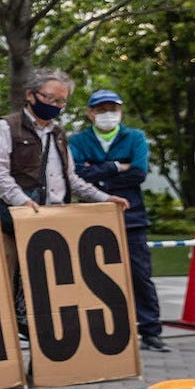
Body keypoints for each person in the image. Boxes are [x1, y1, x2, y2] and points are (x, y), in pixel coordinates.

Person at [70, 89, 166, 351]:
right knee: (90, 274)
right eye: (101, 110)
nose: (107, 114)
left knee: (139, 274)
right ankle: (95, 329)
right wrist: (116, 166)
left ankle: (150, 330)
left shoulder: (134, 137)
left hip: (131, 217)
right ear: (91, 113)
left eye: (112, 109)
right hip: (91, 216)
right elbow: (76, 173)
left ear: (121, 111)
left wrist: (96, 173)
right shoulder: (78, 142)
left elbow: (138, 173)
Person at [0, 68, 127, 217]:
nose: (54, 105)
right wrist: (23, 202)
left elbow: (70, 178)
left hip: (57, 217)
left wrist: (105, 198)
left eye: (60, 101)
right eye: (49, 98)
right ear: (30, 95)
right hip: (19, 216)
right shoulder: (6, 127)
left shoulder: (58, 133)